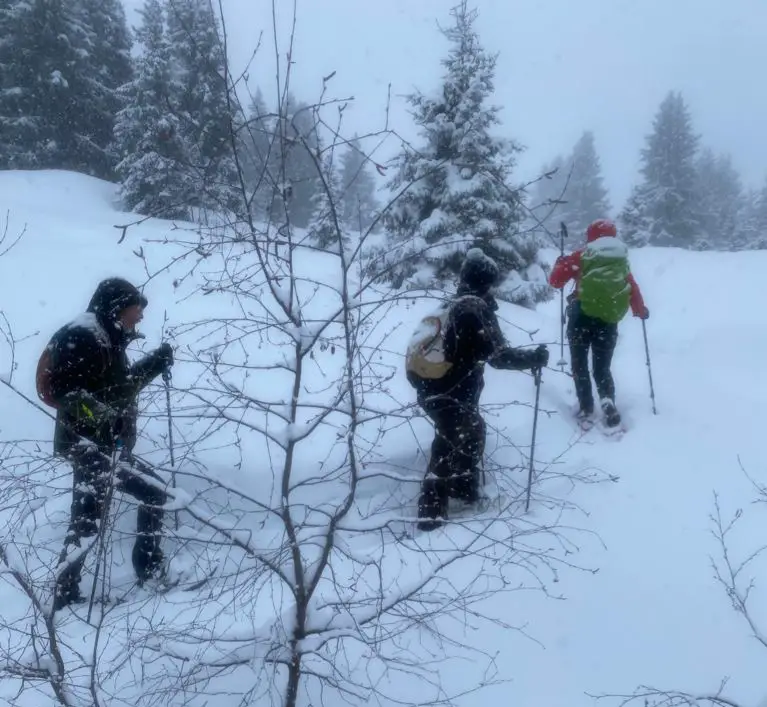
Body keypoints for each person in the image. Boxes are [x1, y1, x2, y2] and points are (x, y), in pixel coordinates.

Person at [37, 277, 174, 610]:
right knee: (150, 494)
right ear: (117, 308)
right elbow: (69, 392)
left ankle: (65, 593)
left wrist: (156, 362)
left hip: (102, 445)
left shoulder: (107, 337)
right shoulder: (84, 337)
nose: (140, 316)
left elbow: (119, 388)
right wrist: (102, 417)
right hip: (88, 445)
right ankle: (148, 572)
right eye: (135, 309)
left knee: (87, 520)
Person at [406, 248, 549, 531]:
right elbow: (499, 356)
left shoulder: (452, 304)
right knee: (450, 443)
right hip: (452, 391)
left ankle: (464, 491)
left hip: (432, 387)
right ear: (487, 282)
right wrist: (533, 358)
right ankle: (430, 516)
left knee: (469, 433)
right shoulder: (474, 309)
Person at [548, 218, 649, 427]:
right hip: (608, 320)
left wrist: (561, 263)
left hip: (580, 317)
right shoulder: (619, 262)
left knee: (579, 364)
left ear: (590, 236)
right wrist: (640, 310)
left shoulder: (582, 256)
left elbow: (555, 282)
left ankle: (586, 406)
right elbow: (632, 287)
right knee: (602, 366)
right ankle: (607, 399)